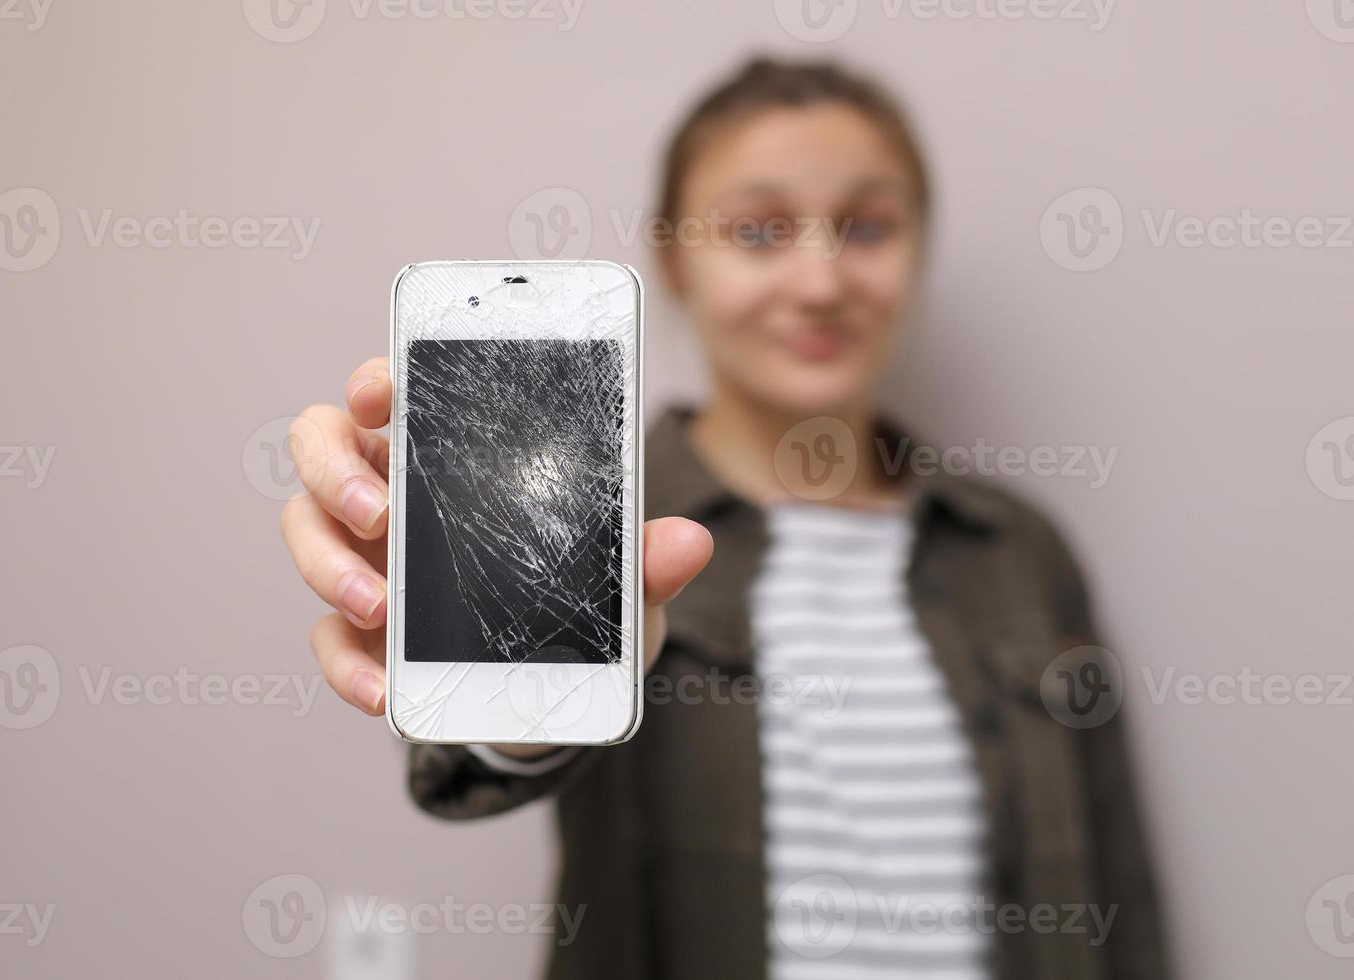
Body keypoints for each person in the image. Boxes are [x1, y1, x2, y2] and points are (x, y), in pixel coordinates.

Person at [279, 57, 1168, 980]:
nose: (821, 284)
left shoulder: (1022, 550)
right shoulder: (598, 522)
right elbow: (477, 765)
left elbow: (1122, 900)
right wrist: (472, 615)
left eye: (866, 227)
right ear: (675, 259)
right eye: (757, 231)